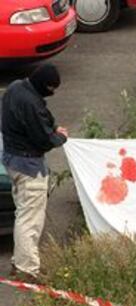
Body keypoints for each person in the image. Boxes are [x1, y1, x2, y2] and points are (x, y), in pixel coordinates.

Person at [1, 63, 69, 282]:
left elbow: (43, 115)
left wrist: (52, 125)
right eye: (51, 88)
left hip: (11, 160)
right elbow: (44, 139)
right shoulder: (31, 104)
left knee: (22, 211)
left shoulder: (16, 87)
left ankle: (19, 261)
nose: (52, 93)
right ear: (43, 85)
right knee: (30, 219)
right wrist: (60, 136)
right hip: (29, 166)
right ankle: (26, 268)